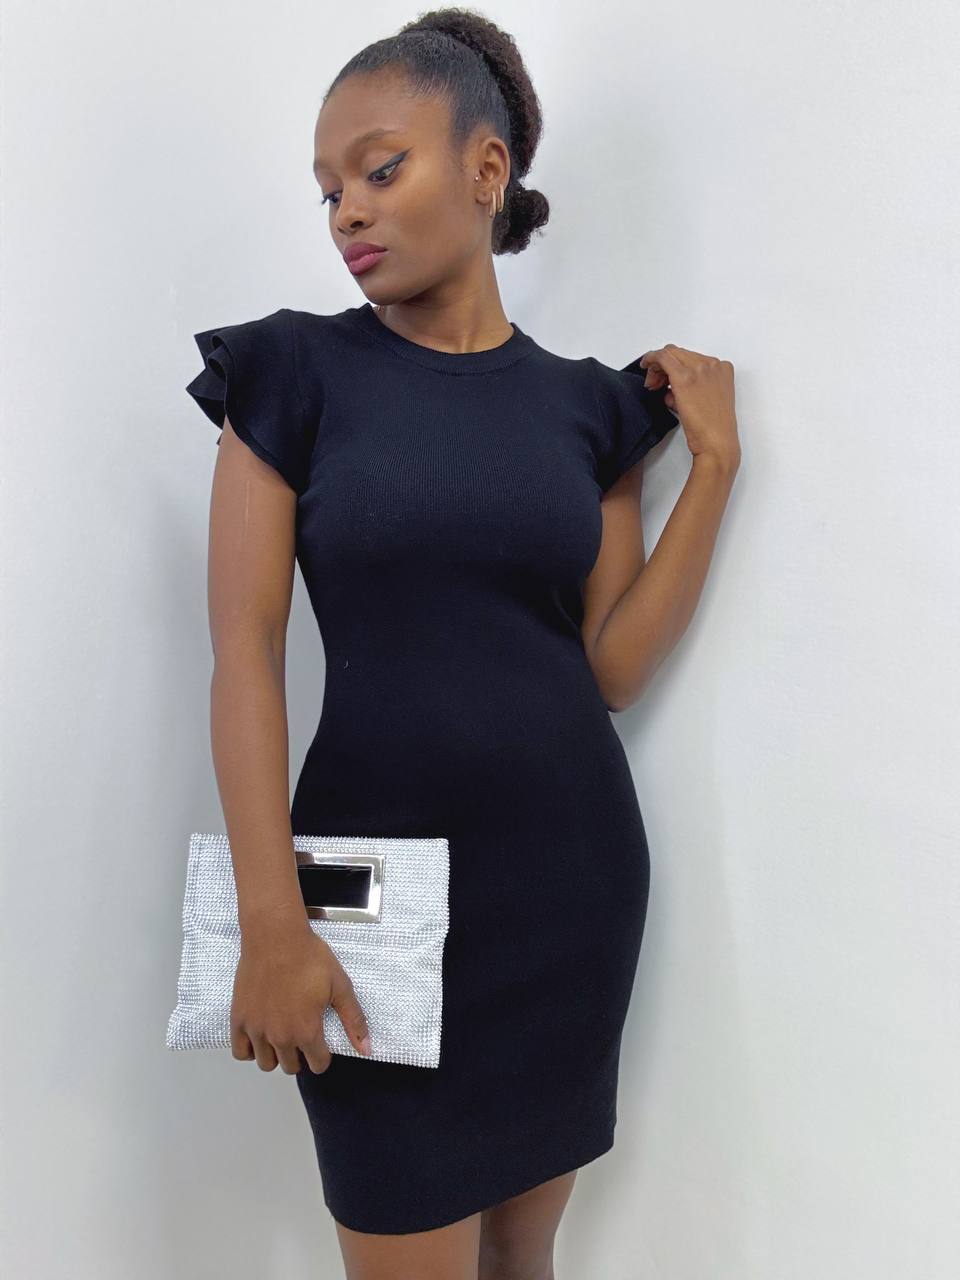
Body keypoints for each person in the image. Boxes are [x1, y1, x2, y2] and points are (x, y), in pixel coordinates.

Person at [184, 7, 740, 1277]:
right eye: (329, 188)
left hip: (565, 889)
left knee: (521, 1259)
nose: (348, 211)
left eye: (381, 169)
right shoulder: (292, 372)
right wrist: (272, 917)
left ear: (487, 169)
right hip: (366, 905)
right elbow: (245, 648)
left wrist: (710, 468)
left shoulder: (587, 409)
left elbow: (608, 666)